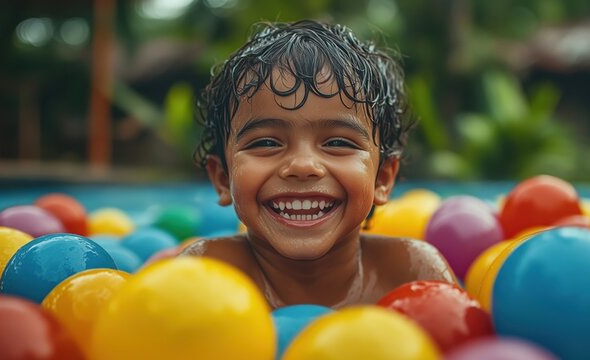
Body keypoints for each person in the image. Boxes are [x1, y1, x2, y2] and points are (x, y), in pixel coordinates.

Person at [181, 20, 456, 309]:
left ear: (382, 178)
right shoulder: (206, 276)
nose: (303, 165)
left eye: (338, 143)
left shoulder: (411, 275)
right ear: (223, 179)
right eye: (266, 143)